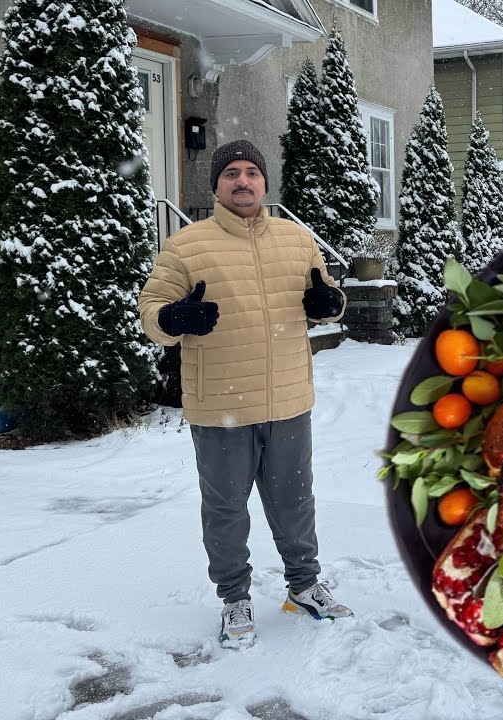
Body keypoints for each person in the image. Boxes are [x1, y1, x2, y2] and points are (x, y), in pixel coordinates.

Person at [138, 139, 352, 649]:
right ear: (216, 185)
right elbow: (151, 311)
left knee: (295, 500)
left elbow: (324, 300)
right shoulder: (187, 246)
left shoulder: (297, 241)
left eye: (251, 172)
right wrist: (173, 318)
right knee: (226, 506)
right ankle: (234, 595)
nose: (242, 181)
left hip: (286, 399)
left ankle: (304, 585)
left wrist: (330, 303)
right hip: (221, 404)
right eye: (231, 172)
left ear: (264, 182)